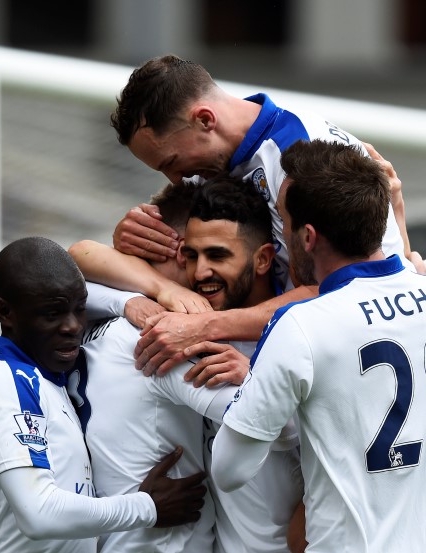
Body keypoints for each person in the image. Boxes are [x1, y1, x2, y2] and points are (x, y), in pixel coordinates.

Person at [211, 140, 426, 552]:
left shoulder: (301, 328)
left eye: (284, 222)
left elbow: (229, 470)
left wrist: (256, 387)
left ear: (307, 236)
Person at [106, 54, 426, 376]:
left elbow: (346, 290)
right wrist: (130, 238)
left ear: (205, 120)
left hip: (363, 362)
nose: (176, 178)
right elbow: (90, 258)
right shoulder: (219, 164)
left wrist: (208, 328)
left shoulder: (301, 160)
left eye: (171, 162)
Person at [70, 177, 302, 552]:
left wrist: (258, 383)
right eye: (190, 256)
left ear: (262, 259)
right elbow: (74, 262)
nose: (199, 272)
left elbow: (323, 438)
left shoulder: (295, 340)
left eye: (218, 255)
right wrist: (134, 300)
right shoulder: (177, 332)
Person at [0, 237, 206, 553]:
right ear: (5, 312)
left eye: (80, 309)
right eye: (53, 314)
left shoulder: (49, 379)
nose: (73, 326)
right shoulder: (5, 381)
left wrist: (126, 303)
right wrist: (148, 507)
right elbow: (39, 514)